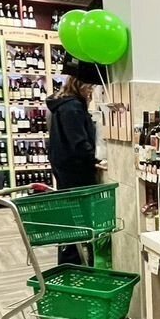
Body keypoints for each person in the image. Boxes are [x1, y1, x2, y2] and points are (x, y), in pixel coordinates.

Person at [47, 61, 104, 265]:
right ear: (80, 85)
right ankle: (72, 263)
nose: (91, 92)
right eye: (89, 87)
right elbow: (78, 142)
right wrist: (94, 159)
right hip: (75, 172)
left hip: (64, 169)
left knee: (70, 221)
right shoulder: (72, 107)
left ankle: (71, 262)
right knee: (76, 221)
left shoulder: (62, 105)